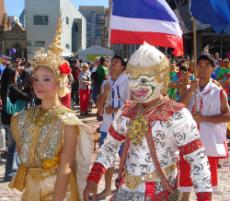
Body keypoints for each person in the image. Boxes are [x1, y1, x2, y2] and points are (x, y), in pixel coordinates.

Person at [84, 43, 212, 201]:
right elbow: (109, 147)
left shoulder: (177, 114)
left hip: (161, 192)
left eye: (144, 79)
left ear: (161, 78)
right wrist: (93, 179)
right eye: (133, 78)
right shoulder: (126, 111)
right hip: (126, 191)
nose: (136, 85)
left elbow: (198, 160)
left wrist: (204, 197)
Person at [9, 18, 92, 201]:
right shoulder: (28, 115)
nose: (39, 84)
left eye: (47, 79)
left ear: (59, 81)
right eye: (36, 78)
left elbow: (66, 167)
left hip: (56, 191)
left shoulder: (67, 119)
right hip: (31, 188)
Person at [180, 55, 230, 201]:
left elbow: (227, 115)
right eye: (199, 65)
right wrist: (190, 92)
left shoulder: (218, 92)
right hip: (188, 142)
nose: (202, 68)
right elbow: (178, 109)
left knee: (206, 186)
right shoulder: (189, 89)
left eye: (206, 65)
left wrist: (204, 119)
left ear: (212, 68)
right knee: (185, 183)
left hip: (208, 143)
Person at [96, 55, 130, 199]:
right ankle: (107, 189)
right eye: (111, 63)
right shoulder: (106, 82)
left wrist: (116, 110)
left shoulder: (128, 82)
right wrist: (105, 93)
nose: (111, 64)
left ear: (123, 67)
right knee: (106, 159)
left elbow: (133, 105)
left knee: (126, 160)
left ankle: (124, 188)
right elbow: (98, 106)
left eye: (116, 62)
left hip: (124, 128)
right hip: (106, 127)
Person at [1, 66, 29, 181]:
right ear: (12, 75)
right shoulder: (12, 87)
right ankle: (10, 173)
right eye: (16, 74)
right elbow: (25, 96)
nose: (17, 75)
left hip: (5, 119)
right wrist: (28, 90)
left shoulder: (3, 86)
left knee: (13, 145)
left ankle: (15, 168)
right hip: (13, 119)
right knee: (13, 147)